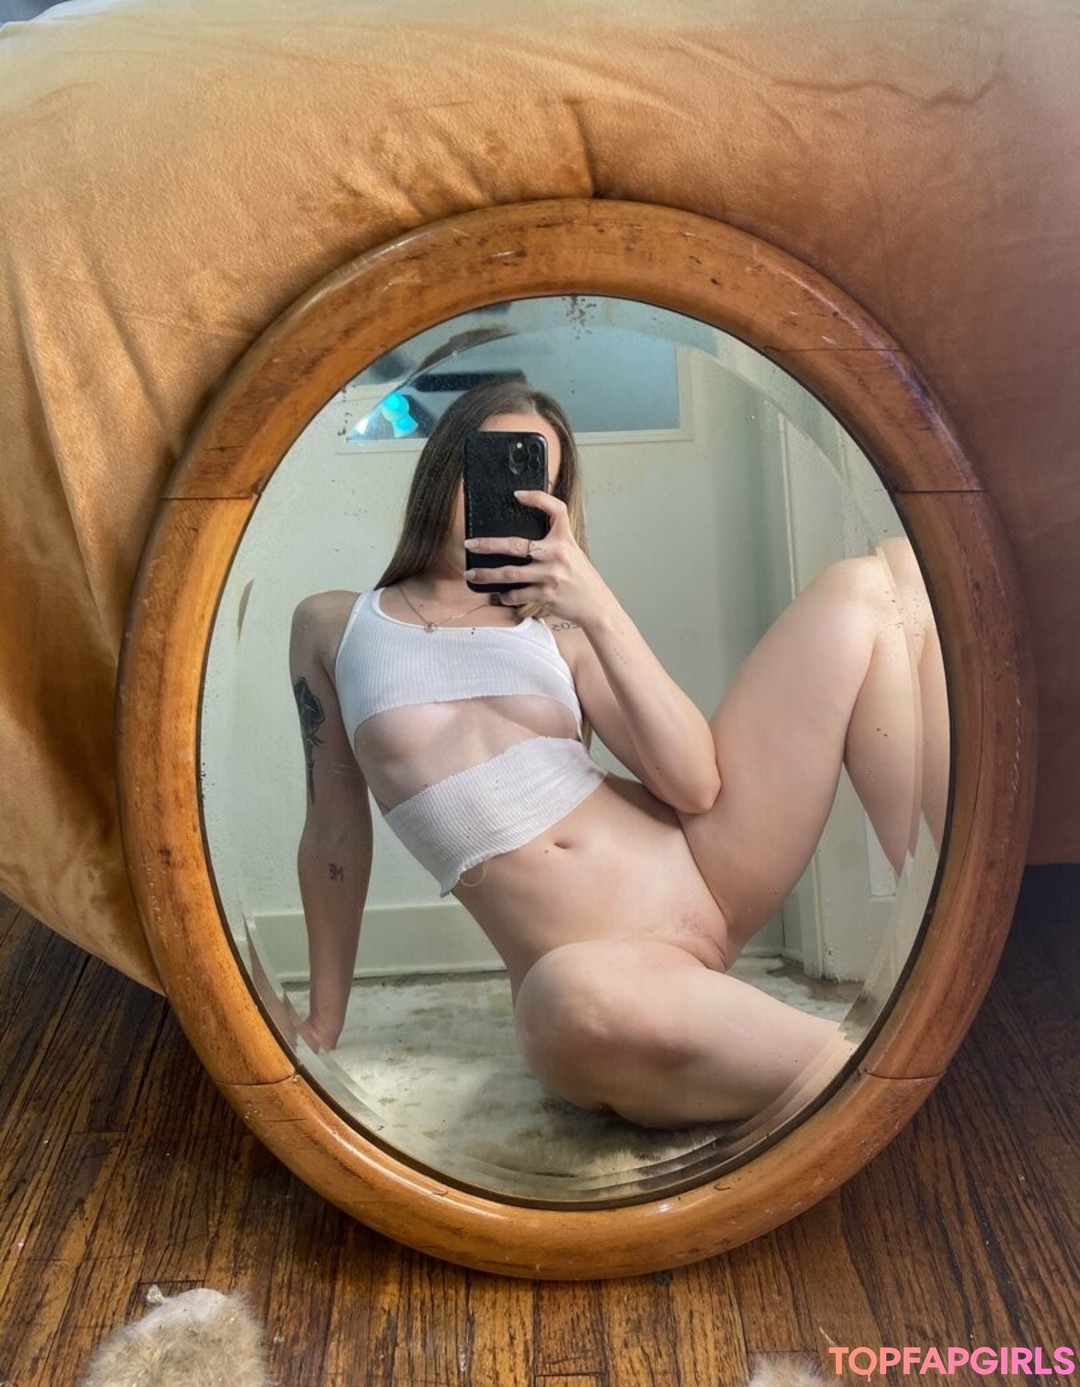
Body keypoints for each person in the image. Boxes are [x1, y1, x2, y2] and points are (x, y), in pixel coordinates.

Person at [287, 380, 947, 1129]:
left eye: (537, 480)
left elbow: (697, 786)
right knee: (566, 1002)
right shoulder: (336, 627)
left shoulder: (559, 638)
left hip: (713, 862)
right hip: (593, 969)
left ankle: (939, 938)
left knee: (885, 580)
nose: (515, 494)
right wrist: (323, 1022)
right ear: (445, 464)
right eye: (498, 464)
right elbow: (333, 831)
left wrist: (598, 607)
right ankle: (895, 1074)